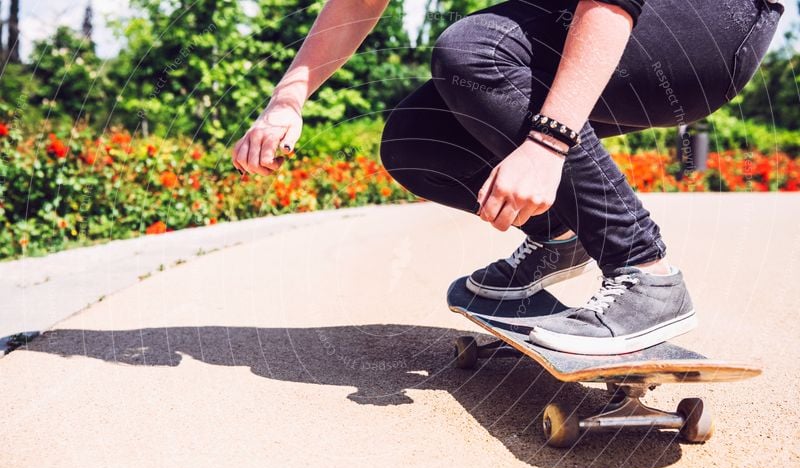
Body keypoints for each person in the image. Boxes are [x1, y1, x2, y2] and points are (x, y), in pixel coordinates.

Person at [232, 0, 784, 355]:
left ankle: (648, 272)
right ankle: (558, 239)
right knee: (418, 137)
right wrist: (288, 99)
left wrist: (547, 142)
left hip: (709, 21)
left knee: (476, 51)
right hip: (593, 20)